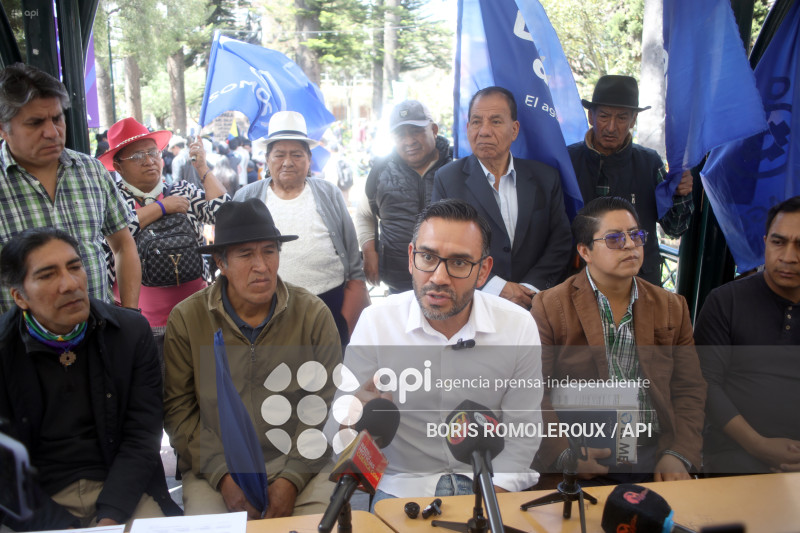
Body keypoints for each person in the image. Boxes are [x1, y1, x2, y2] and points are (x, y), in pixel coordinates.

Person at [333, 199, 542, 502]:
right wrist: (352, 417)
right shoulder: (376, 323)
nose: (438, 278)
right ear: (410, 257)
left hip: (487, 488)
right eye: (428, 257)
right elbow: (338, 436)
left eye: (458, 262)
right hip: (398, 488)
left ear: (483, 271)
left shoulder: (517, 326)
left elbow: (522, 434)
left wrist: (483, 504)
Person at [163, 199, 341, 519]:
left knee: (320, 526)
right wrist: (222, 475)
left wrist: (291, 479)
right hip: (217, 467)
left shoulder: (312, 314)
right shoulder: (188, 318)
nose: (261, 266)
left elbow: (324, 406)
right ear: (221, 261)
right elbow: (179, 411)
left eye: (269, 251)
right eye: (246, 254)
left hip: (302, 462)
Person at [0, 228, 181, 531]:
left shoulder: (130, 333)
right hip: (38, 500)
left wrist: (109, 519)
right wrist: (61, 527)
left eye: (74, 267)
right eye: (47, 275)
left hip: (122, 488)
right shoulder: (5, 350)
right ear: (20, 296)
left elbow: (142, 435)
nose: (70, 284)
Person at [531, 196, 706, 485]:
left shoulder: (672, 306)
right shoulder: (550, 307)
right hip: (586, 451)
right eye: (614, 238)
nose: (630, 245)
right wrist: (566, 455)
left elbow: (690, 388)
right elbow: (533, 391)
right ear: (585, 251)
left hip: (655, 452)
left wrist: (678, 452)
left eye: (636, 235)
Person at [0, 63, 141, 314]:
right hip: (20, 347)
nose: (51, 132)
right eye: (35, 123)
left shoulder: (92, 171)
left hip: (97, 336)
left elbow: (123, 245)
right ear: (4, 128)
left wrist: (129, 315)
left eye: (57, 118)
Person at [97, 117, 230, 364]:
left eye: (153, 152)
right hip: (142, 325)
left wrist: (202, 168)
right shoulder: (111, 202)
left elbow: (224, 212)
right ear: (118, 164)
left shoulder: (182, 191)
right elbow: (116, 231)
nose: (149, 161)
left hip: (196, 315)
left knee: (203, 393)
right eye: (137, 156)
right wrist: (162, 208)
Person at [235, 111, 368, 345]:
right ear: (267, 159)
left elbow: (353, 260)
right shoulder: (247, 197)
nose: (288, 162)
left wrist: (346, 319)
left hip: (329, 305)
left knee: (329, 376)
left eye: (297, 154)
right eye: (279, 155)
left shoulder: (328, 194)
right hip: (267, 310)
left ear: (308, 159)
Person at [433, 86, 572, 309]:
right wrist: (497, 287)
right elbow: (442, 244)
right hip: (475, 303)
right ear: (468, 128)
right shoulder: (448, 179)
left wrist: (530, 289)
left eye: (496, 121)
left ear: (515, 129)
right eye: (477, 122)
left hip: (535, 305)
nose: (484, 131)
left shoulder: (545, 178)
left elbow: (560, 241)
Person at [694, 196, 800, 475]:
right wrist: (759, 446)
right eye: (779, 242)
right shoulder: (725, 302)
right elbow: (705, 384)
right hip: (734, 453)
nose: (788, 257)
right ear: (765, 241)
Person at [568, 75, 693, 286]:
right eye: (604, 116)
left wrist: (681, 194)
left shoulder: (650, 163)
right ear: (591, 116)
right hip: (577, 279)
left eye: (622, 118)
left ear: (633, 120)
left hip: (637, 283)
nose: (611, 127)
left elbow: (675, 228)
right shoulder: (568, 161)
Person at [355, 100, 453, 294]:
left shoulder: (455, 168)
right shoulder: (380, 171)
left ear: (434, 129)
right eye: (400, 134)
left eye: (416, 131)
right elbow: (364, 214)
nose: (409, 141)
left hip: (447, 282)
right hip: (398, 283)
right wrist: (369, 252)